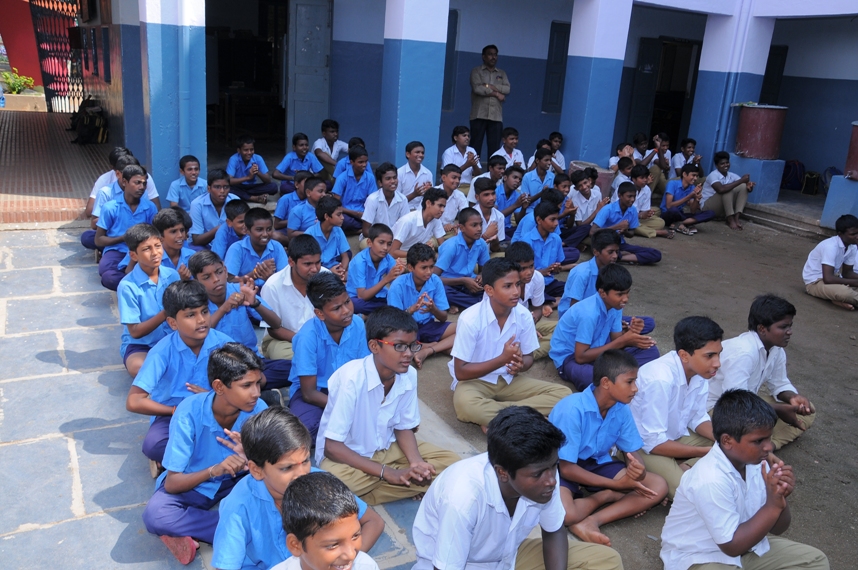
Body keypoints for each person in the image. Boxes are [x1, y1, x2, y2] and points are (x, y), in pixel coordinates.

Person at [413, 406, 623, 570]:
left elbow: (554, 531)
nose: (551, 480)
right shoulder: (463, 498)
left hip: (507, 559)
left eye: (554, 466)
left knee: (606, 561)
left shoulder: (543, 472)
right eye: (539, 473)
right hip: (454, 565)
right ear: (502, 473)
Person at [660, 389, 829, 570]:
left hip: (748, 546)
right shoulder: (710, 479)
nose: (768, 446)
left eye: (769, 438)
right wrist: (772, 506)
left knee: (815, 561)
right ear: (727, 441)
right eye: (758, 441)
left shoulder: (757, 464)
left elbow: (778, 528)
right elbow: (731, 546)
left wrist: (780, 498)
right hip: (700, 557)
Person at [317, 307, 461, 504]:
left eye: (412, 346)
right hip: (348, 457)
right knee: (331, 486)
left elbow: (403, 427)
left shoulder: (408, 375)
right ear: (374, 346)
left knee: (453, 464)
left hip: (388, 447)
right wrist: (388, 473)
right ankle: (400, 484)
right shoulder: (351, 379)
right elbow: (332, 448)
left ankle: (381, 490)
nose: (408, 354)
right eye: (400, 346)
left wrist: (416, 463)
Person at [141, 343, 268, 564]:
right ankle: (242, 530)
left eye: (258, 383)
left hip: (243, 479)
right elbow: (172, 484)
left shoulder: (259, 411)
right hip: (198, 482)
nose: (256, 392)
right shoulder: (188, 412)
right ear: (219, 386)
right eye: (247, 385)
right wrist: (214, 470)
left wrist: (251, 457)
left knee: (282, 492)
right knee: (156, 514)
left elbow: (273, 466)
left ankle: (208, 532)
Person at [211, 407, 383, 570]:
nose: (301, 474)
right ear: (256, 470)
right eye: (287, 468)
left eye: (306, 461)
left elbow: (373, 522)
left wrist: (343, 562)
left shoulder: (319, 482)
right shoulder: (238, 506)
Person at [549, 350, 668, 545]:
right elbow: (567, 468)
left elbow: (632, 451)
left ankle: (592, 521)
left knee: (658, 486)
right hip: (561, 464)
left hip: (596, 461)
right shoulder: (572, 409)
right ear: (606, 383)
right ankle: (606, 496)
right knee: (566, 515)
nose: (635, 388)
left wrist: (638, 470)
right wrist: (616, 487)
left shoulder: (621, 408)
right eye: (629, 382)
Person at [449, 258, 571, 430]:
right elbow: (460, 372)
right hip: (475, 381)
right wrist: (502, 359)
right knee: (465, 406)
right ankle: (524, 415)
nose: (516, 291)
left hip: (508, 379)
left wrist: (521, 365)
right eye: (507, 286)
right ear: (489, 290)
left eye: (518, 284)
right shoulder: (470, 319)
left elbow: (528, 357)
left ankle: (502, 418)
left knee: (564, 394)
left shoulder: (524, 315)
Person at [125, 280, 235, 467]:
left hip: (216, 411)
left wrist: (212, 399)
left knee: (254, 432)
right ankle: (211, 456)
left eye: (205, 311)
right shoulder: (162, 352)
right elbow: (134, 401)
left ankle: (181, 459)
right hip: (173, 416)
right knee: (154, 445)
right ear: (172, 323)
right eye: (191, 315)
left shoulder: (223, 344)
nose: (201, 320)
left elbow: (241, 384)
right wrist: (174, 410)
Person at [629, 316, 722, 499]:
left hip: (673, 438)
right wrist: (702, 452)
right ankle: (682, 466)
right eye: (710, 356)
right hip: (642, 447)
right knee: (687, 494)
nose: (717, 363)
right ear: (684, 355)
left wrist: (723, 440)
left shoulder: (700, 372)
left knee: (731, 446)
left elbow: (697, 417)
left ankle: (683, 464)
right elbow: (653, 442)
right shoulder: (660, 379)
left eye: (719, 354)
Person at [709, 295, 815, 450]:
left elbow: (780, 383)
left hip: (743, 402)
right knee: (744, 425)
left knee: (806, 410)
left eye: (790, 326)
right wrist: (776, 408)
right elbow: (734, 403)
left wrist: (792, 397)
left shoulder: (776, 350)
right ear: (762, 329)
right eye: (783, 327)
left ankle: (768, 445)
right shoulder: (744, 353)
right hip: (717, 408)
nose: (789, 332)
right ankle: (753, 446)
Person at [189, 250, 291, 392]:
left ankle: (246, 389)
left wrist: (255, 302)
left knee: (293, 368)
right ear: (196, 281)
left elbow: (276, 323)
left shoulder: (239, 290)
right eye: (206, 277)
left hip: (251, 360)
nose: (215, 279)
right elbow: (198, 335)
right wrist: (224, 308)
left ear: (225, 271)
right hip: (217, 367)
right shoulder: (194, 302)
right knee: (208, 382)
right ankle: (252, 389)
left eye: (218, 272)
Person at [550, 264, 659, 391]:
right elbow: (580, 357)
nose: (625, 299)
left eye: (627, 293)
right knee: (589, 377)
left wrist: (630, 333)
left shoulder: (616, 306)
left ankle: (616, 378)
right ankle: (619, 377)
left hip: (598, 350)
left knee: (651, 350)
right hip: (571, 357)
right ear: (602, 293)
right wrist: (623, 341)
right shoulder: (589, 313)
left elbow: (615, 339)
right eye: (620, 294)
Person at [288, 272, 370, 438]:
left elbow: (364, 370)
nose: (347, 311)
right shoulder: (307, 337)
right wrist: (345, 408)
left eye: (347, 302)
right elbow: (309, 393)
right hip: (316, 393)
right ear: (320, 313)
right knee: (304, 432)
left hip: (348, 389)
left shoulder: (358, 324)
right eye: (336, 308)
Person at [274, 472, 383, 570]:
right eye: (333, 545)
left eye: (355, 536)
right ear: (295, 545)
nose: (350, 555)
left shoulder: (365, 566)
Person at [117, 224, 182, 377]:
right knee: (139, 368)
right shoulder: (127, 286)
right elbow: (135, 332)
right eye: (147, 249)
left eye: (158, 246)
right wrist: (166, 312)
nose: (155, 253)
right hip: (141, 345)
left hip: (173, 339)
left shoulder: (172, 275)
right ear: (133, 255)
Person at [259, 235, 328, 366]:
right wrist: (305, 341)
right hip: (283, 341)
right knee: (286, 356)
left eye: (318, 262)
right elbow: (274, 329)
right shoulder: (272, 286)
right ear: (291, 262)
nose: (314, 269)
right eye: (307, 264)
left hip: (321, 338)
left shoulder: (326, 276)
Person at [387, 243, 456, 369]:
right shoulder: (398, 285)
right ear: (410, 267)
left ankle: (427, 349)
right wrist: (411, 310)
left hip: (428, 325)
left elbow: (443, 318)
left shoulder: (435, 280)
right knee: (395, 345)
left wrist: (433, 309)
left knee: (463, 329)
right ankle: (437, 346)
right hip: (407, 329)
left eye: (431, 267)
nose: (429, 272)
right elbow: (394, 322)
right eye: (424, 267)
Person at [95, 164, 158, 291]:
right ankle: (139, 288)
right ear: (124, 182)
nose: (142, 187)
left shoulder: (150, 207)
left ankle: (135, 287)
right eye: (137, 183)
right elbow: (98, 239)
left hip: (142, 252)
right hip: (117, 249)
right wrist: (124, 238)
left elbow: (156, 235)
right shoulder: (110, 207)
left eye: (144, 183)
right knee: (108, 276)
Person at [82, 154, 146, 251]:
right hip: (113, 234)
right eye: (127, 174)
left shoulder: (141, 190)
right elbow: (94, 224)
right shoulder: (105, 192)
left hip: (137, 236)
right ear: (118, 174)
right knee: (87, 237)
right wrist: (116, 220)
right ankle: (111, 248)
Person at [512, 202, 574, 299]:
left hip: (548, 282)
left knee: (572, 291)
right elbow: (520, 272)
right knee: (529, 295)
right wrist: (542, 272)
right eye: (552, 219)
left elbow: (556, 267)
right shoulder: (526, 241)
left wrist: (556, 269)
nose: (556, 223)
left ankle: (550, 302)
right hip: (530, 283)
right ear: (539, 220)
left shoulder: (556, 239)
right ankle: (550, 301)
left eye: (557, 219)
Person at [591, 182, 662, 265]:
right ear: (620, 195)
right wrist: (616, 227)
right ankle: (618, 255)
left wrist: (625, 231)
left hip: (620, 243)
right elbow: (592, 232)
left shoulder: (633, 210)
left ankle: (620, 257)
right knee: (602, 251)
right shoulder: (608, 209)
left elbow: (631, 233)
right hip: (605, 243)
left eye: (634, 196)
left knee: (656, 254)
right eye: (629, 196)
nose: (632, 199)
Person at [433, 208, 490, 310]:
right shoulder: (451, 246)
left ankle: (464, 304)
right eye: (474, 225)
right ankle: (480, 305)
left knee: (492, 287)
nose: (479, 229)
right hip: (450, 284)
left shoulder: (481, 244)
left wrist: (481, 277)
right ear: (462, 228)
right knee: (443, 292)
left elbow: (485, 270)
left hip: (470, 282)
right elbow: (433, 277)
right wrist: (463, 281)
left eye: (480, 224)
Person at [505, 241, 554, 361]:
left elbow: (537, 309)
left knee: (562, 329)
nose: (529, 272)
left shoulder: (537, 278)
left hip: (524, 321)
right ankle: (517, 356)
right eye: (523, 269)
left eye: (531, 266)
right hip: (503, 328)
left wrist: (530, 324)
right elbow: (496, 320)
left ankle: (518, 354)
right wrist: (522, 331)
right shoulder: (501, 284)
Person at [801, 214, 858, 309]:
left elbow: (847, 273)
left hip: (833, 280)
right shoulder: (830, 247)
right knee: (845, 293)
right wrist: (855, 282)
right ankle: (839, 297)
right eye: (853, 234)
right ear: (840, 234)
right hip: (815, 283)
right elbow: (828, 279)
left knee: (847, 291)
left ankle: (836, 299)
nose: (857, 237)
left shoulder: (852, 246)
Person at [347, 223, 404, 314]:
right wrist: (386, 279)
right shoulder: (359, 262)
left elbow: (396, 287)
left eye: (389, 244)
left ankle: (374, 314)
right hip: (358, 297)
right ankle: (384, 312)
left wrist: (399, 273)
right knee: (354, 305)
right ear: (369, 243)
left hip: (378, 295)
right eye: (381, 242)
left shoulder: (388, 258)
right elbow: (362, 296)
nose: (385, 248)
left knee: (400, 298)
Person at [224, 208, 288, 288]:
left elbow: (285, 279)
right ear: (247, 230)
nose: (265, 234)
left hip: (271, 292)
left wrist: (270, 278)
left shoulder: (277, 247)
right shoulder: (236, 248)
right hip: (244, 294)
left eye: (269, 229)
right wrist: (255, 273)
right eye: (259, 230)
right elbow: (229, 281)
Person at [470, 45, 509, 158]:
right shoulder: (476, 71)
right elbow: (477, 89)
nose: (493, 57)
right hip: (478, 115)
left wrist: (488, 86)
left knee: (494, 149)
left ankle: (493, 175)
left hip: (496, 116)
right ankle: (473, 174)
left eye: (495, 54)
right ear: (484, 56)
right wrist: (497, 93)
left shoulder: (502, 73)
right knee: (475, 146)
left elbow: (507, 89)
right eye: (490, 54)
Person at [701, 151, 755, 231]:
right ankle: (730, 218)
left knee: (742, 186)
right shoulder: (713, 175)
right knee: (727, 189)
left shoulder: (731, 175)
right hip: (708, 207)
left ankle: (736, 217)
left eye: (727, 163)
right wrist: (741, 180)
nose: (725, 165)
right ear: (717, 166)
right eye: (722, 164)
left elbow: (743, 187)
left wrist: (748, 186)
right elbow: (720, 189)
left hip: (721, 208)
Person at [360, 162, 409, 248]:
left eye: (394, 177)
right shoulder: (372, 199)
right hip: (375, 238)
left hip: (395, 239)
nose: (393, 181)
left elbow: (406, 226)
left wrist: (393, 241)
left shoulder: (403, 199)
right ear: (380, 183)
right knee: (366, 245)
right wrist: (383, 240)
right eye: (388, 178)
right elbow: (366, 230)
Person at [390, 188, 447, 258]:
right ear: (428, 203)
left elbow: (443, 246)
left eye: (444, 207)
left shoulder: (436, 220)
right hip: (400, 257)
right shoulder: (408, 221)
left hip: (416, 255)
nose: (442, 210)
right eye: (440, 206)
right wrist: (418, 255)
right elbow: (392, 252)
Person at [189, 169, 239, 248]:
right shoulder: (197, 204)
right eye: (217, 187)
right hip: (206, 245)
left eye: (226, 187)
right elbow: (196, 240)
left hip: (229, 244)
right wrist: (219, 229)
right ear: (209, 189)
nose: (222, 191)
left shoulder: (235, 201)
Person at [661, 164, 716, 235]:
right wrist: (690, 196)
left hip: (680, 215)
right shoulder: (672, 184)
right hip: (667, 214)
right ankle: (686, 223)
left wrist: (696, 198)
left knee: (711, 213)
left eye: (696, 176)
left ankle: (680, 223)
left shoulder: (692, 187)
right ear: (684, 174)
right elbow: (668, 206)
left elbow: (693, 211)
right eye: (693, 175)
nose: (695, 178)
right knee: (673, 210)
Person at [305, 195, 351, 279]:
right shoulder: (309, 235)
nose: (342, 218)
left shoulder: (338, 230)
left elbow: (345, 256)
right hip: (317, 273)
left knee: (355, 278)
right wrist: (329, 272)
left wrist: (342, 271)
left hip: (335, 268)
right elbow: (309, 266)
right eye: (338, 215)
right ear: (327, 216)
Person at [331, 146, 375, 233]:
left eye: (366, 161)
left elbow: (373, 200)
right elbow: (335, 205)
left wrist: (365, 214)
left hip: (364, 213)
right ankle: (361, 230)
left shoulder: (370, 178)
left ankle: (360, 229)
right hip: (346, 213)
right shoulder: (342, 178)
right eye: (360, 162)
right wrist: (356, 213)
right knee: (343, 221)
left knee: (379, 217)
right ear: (351, 162)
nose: (364, 165)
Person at [227, 135, 279, 204]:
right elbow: (229, 181)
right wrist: (248, 177)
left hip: (252, 188)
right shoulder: (234, 159)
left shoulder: (258, 158)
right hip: (238, 186)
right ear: (239, 150)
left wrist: (258, 172)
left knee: (273, 187)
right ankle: (254, 198)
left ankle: (244, 196)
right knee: (228, 188)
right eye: (246, 150)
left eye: (251, 149)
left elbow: (268, 180)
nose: (249, 153)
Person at [627, 164, 670, 239]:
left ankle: (639, 228)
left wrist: (647, 213)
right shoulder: (626, 188)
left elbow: (644, 210)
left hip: (637, 217)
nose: (645, 180)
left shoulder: (646, 190)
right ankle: (655, 232)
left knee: (660, 223)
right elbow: (623, 212)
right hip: (624, 217)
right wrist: (640, 215)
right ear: (633, 179)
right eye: (642, 178)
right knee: (628, 223)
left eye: (646, 178)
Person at [441, 125, 482, 193]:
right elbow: (448, 173)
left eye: (468, 136)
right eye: (464, 135)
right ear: (456, 138)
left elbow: (479, 175)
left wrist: (474, 164)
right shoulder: (449, 152)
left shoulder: (472, 150)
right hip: (452, 186)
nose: (467, 138)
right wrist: (467, 164)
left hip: (469, 186)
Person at [396, 141, 435, 211]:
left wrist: (428, 192)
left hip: (421, 211)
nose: (420, 155)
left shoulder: (428, 173)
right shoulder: (399, 173)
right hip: (403, 211)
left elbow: (431, 199)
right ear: (408, 154)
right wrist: (414, 194)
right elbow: (397, 201)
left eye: (422, 153)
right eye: (417, 152)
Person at [474, 177, 508, 253]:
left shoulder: (499, 217)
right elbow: (467, 248)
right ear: (477, 197)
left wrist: (495, 241)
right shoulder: (469, 216)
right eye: (486, 195)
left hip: (489, 256)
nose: (491, 198)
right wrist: (486, 235)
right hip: (471, 258)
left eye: (493, 194)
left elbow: (495, 249)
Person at [274, 170, 313, 235]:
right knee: (275, 236)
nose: (309, 186)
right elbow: (276, 224)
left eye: (312, 184)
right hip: (287, 233)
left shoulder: (311, 199)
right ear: (297, 184)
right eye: (306, 183)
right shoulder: (285, 199)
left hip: (305, 233)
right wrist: (296, 220)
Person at [436, 164, 469, 238]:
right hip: (432, 231)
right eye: (454, 178)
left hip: (450, 231)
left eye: (459, 178)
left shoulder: (460, 195)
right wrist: (441, 226)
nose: (457, 181)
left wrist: (456, 226)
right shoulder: (433, 192)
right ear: (444, 177)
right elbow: (426, 217)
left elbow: (466, 215)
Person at [495, 165, 528, 235]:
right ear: (505, 178)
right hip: (495, 228)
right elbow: (495, 218)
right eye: (515, 177)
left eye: (520, 179)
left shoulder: (517, 195)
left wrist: (523, 208)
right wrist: (515, 205)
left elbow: (518, 221)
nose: (517, 181)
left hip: (508, 228)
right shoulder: (495, 192)